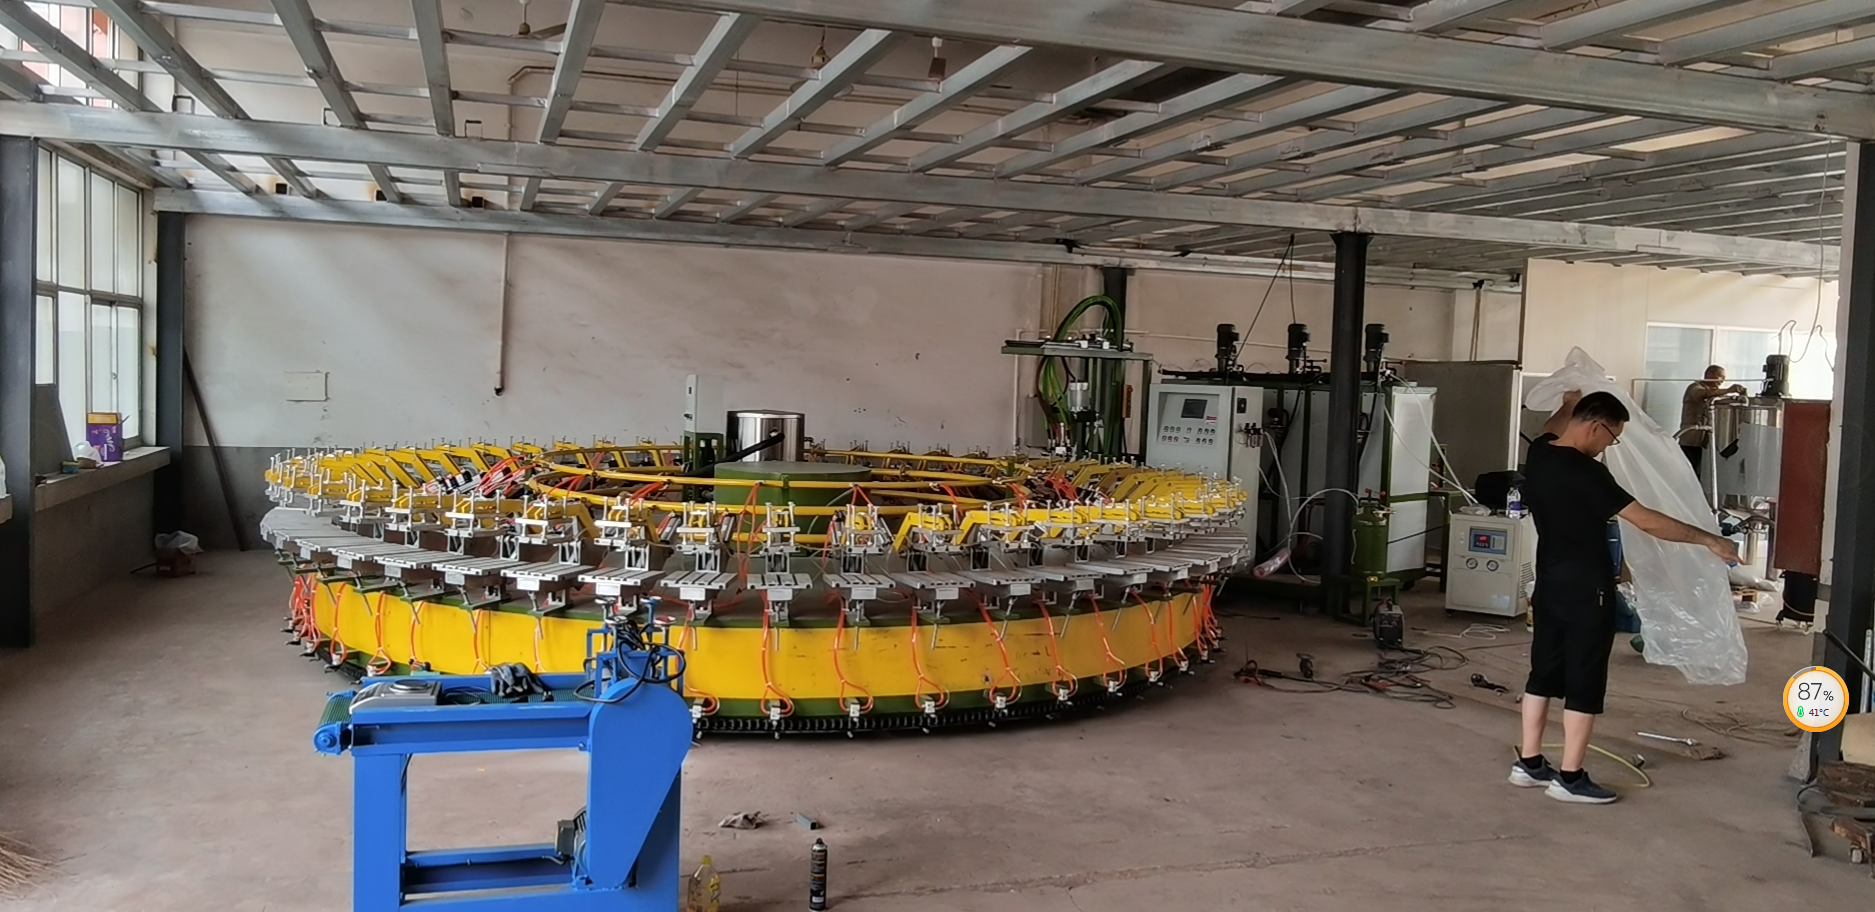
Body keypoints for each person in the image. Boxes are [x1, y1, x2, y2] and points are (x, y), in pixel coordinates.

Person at [1509, 390, 1739, 804]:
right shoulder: (1588, 474)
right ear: (1596, 427)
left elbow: (1552, 425)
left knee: (1542, 673)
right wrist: (1709, 539)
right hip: (1588, 591)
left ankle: (1529, 763)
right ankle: (1570, 778)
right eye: (1611, 437)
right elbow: (1647, 521)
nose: (1607, 447)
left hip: (1550, 584)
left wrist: (1570, 399)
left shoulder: (1540, 454)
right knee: (1584, 681)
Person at [1677, 366, 1747, 473]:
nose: (1723, 380)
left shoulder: (1716, 393)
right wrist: (1728, 390)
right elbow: (1702, 393)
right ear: (1709, 374)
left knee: (1704, 472)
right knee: (1691, 471)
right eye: (1721, 377)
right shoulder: (1694, 387)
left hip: (1706, 442)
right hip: (1691, 440)